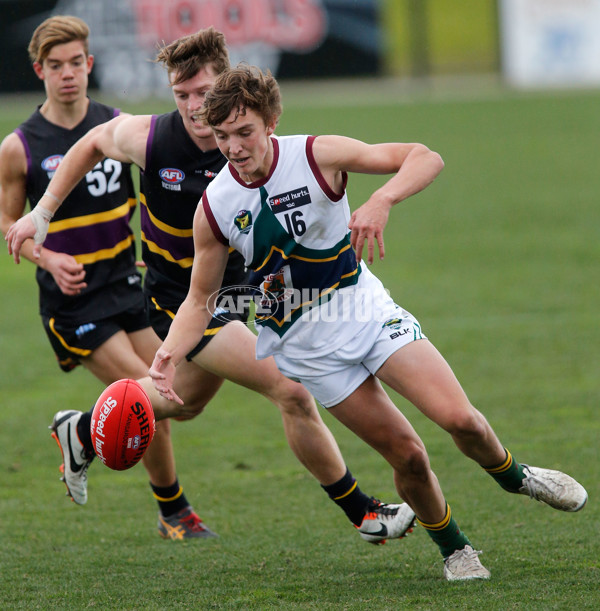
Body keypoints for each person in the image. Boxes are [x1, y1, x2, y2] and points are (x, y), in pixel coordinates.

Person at [143, 64, 587, 580]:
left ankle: (519, 477)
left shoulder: (316, 155)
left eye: (244, 132)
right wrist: (168, 354)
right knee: (410, 457)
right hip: (307, 349)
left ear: (271, 122)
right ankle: (455, 548)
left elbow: (425, 157)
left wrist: (382, 198)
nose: (234, 147)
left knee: (461, 420)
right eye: (222, 137)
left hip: (364, 311)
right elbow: (200, 299)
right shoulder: (215, 206)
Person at [5, 28, 416, 546]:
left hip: (240, 296)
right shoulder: (151, 139)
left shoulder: (247, 138)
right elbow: (89, 143)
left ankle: (83, 430)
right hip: (183, 303)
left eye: (204, 93)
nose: (196, 108)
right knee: (290, 390)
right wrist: (41, 215)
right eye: (182, 96)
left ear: (228, 84)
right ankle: (364, 513)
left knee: (183, 404)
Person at [0, 15, 215, 540]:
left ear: (89, 64)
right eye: (56, 66)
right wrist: (47, 259)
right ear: (39, 71)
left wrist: (154, 254)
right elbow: (9, 222)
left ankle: (82, 435)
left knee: (175, 397)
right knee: (147, 403)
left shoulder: (114, 125)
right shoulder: (19, 145)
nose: (68, 73)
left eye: (76, 62)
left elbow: (151, 197)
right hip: (73, 304)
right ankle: (174, 514)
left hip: (127, 288)